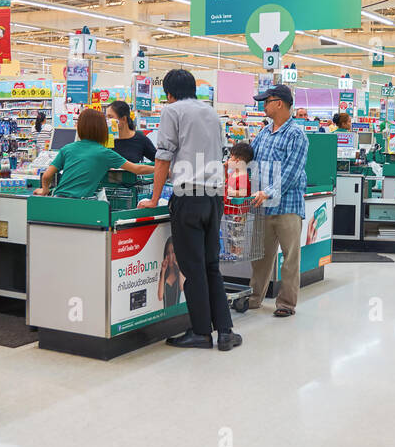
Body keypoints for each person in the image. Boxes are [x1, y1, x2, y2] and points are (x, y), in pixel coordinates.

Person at [137, 69, 241, 351]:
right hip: (213, 197)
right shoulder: (211, 113)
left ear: (168, 93)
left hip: (188, 197)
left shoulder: (172, 111)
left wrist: (154, 197)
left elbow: (163, 158)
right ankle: (226, 331)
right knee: (211, 267)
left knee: (192, 269)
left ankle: (200, 333)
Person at [247, 83, 309, 318]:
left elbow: (291, 173)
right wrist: (235, 163)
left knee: (290, 258)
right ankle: (254, 298)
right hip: (263, 205)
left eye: (266, 101)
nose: (263, 105)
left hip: (287, 206)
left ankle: (286, 304)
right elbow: (251, 158)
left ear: (279, 103)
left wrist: (268, 191)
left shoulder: (297, 135)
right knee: (261, 257)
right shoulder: (264, 132)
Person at [34, 108, 152, 198]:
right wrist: (160, 169)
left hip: (57, 199)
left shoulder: (67, 148)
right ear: (102, 129)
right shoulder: (105, 153)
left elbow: (47, 175)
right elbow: (137, 169)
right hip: (80, 205)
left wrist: (44, 190)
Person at [106, 99, 157, 164]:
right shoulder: (105, 140)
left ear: (124, 119)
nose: (107, 121)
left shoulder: (140, 139)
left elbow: (157, 160)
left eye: (110, 117)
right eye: (106, 117)